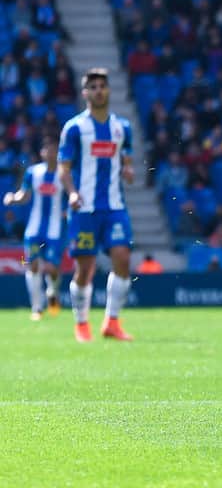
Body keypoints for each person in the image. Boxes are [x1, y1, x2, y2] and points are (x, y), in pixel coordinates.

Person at [58, 68, 135, 342]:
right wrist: (72, 193)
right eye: (93, 87)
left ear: (109, 90)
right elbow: (63, 168)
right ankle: (81, 323)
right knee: (85, 269)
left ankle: (112, 322)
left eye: (102, 86)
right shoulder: (75, 128)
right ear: (84, 93)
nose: (98, 91)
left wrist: (128, 172)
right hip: (84, 209)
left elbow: (127, 162)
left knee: (123, 259)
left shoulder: (122, 128)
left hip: (114, 206)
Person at [2, 137, 66, 320]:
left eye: (53, 149)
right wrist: (13, 198)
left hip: (55, 230)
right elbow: (25, 195)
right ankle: (37, 308)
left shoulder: (64, 174)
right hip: (34, 229)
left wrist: (68, 211)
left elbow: (71, 195)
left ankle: (52, 292)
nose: (50, 153)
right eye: (47, 149)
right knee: (34, 265)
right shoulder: (33, 172)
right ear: (42, 152)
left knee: (53, 268)